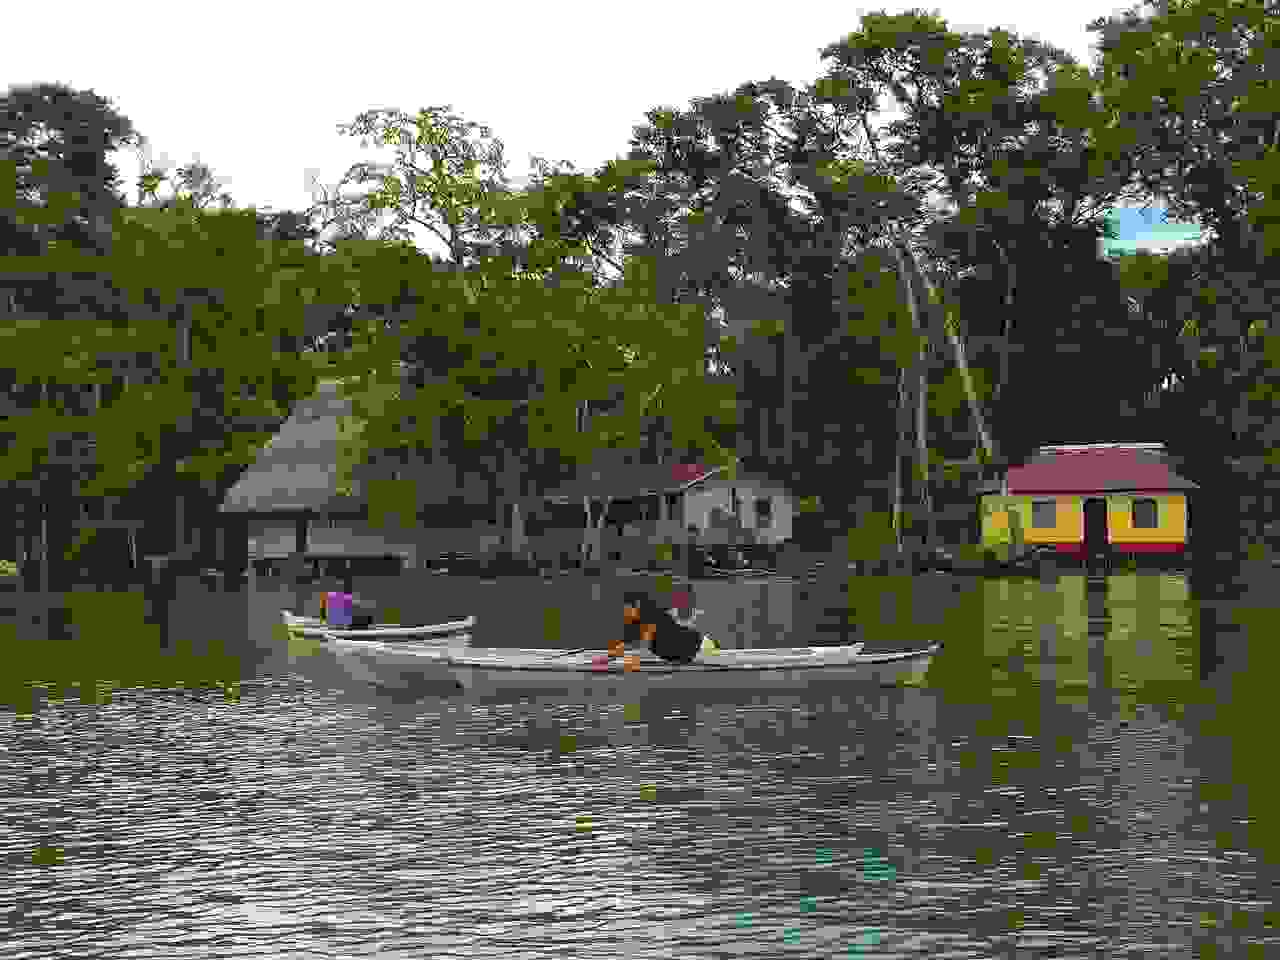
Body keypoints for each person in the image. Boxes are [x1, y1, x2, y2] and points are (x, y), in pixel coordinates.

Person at [620, 588, 702, 665]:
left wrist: (626, 656)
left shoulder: (650, 617)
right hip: (678, 651)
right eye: (624, 610)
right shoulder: (634, 623)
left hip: (690, 647)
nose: (624, 613)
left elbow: (644, 650)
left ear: (636, 606)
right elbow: (632, 645)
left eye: (626, 609)